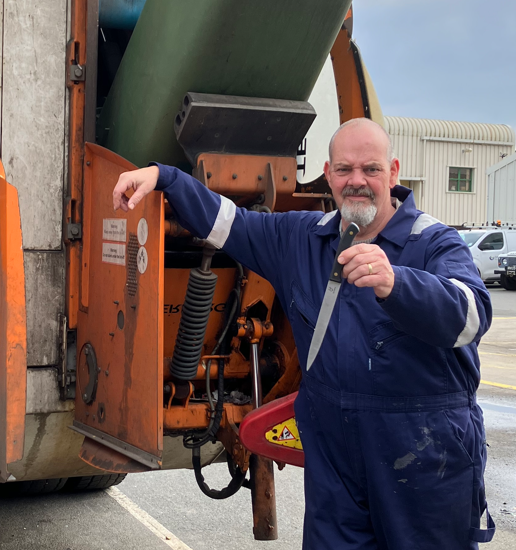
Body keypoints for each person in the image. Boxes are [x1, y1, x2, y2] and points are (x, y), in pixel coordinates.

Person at [112, 118, 494, 549]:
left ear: (393, 172)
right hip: (336, 464)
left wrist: (398, 283)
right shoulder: (301, 238)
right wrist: (165, 177)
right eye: (345, 170)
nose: (357, 181)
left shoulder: (434, 242)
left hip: (424, 462)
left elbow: (473, 315)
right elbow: (228, 223)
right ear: (328, 174)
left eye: (371, 169)